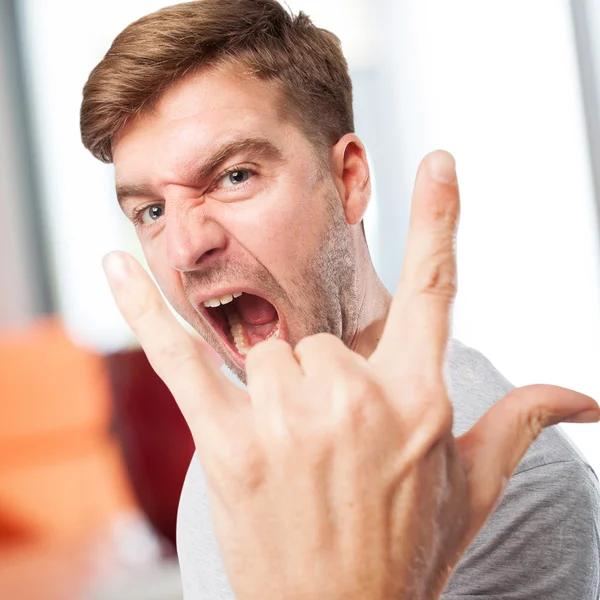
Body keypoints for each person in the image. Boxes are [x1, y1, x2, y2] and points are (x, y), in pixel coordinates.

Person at [81, 1, 600, 598]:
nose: (183, 247)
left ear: (349, 179)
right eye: (151, 210)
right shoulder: (229, 444)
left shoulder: (512, 486)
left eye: (235, 177)